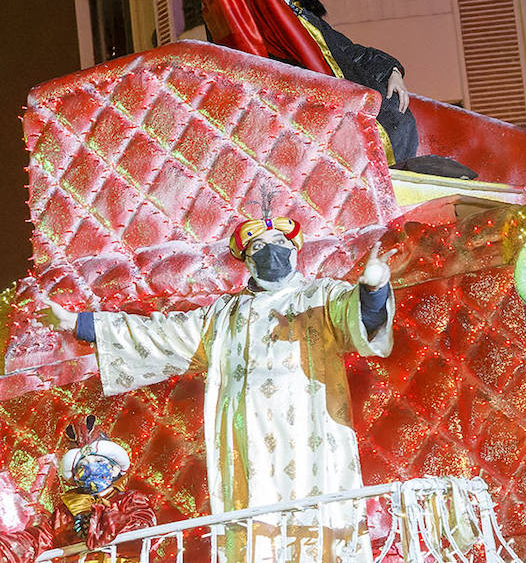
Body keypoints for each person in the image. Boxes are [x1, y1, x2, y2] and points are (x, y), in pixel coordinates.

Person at [39, 211, 396, 563]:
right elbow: (158, 334)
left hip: (313, 435)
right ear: (246, 260)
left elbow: (358, 320)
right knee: (257, 526)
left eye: (278, 243)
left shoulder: (320, 297)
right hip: (246, 443)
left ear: (294, 249)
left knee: (321, 524)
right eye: (258, 245)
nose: (270, 251)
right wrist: (79, 323)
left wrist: (374, 290)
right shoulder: (222, 316)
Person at [202, 0, 470, 175]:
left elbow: (350, 52)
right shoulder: (250, 10)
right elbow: (227, 4)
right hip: (299, 117)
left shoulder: (302, 14)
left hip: (349, 112)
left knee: (396, 116)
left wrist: (392, 70)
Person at [0, 417, 157, 563]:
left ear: (115, 469)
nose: (90, 468)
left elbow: (142, 530)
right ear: (76, 476)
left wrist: (101, 517)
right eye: (83, 465)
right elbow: (37, 539)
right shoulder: (65, 512)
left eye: (99, 460)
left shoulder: (131, 499)